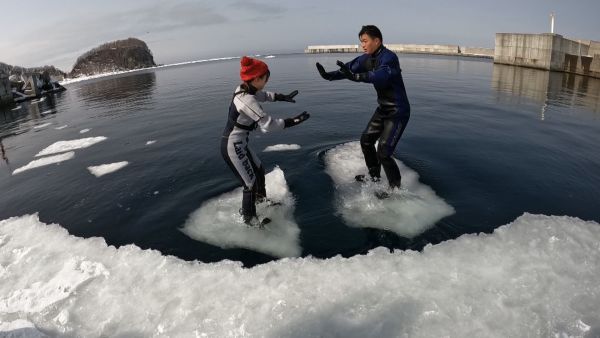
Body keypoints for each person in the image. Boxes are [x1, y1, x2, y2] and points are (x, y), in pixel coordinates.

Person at [316, 25, 411, 198]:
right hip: (383, 109)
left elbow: (381, 75)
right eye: (361, 42)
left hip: (398, 111)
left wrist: (359, 77)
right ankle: (374, 177)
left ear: (377, 40)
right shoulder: (366, 58)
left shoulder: (389, 58)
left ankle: (395, 190)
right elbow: (348, 69)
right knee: (366, 141)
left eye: (365, 41)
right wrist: (328, 76)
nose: (363, 45)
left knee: (384, 151)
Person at [221, 56, 310, 227]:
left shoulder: (243, 89)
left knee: (259, 171)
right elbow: (268, 125)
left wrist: (282, 97)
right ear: (255, 78)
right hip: (232, 146)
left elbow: (263, 95)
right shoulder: (246, 100)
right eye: (265, 79)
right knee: (249, 183)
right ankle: (249, 220)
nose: (266, 82)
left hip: (240, 144)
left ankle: (261, 202)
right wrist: (294, 121)